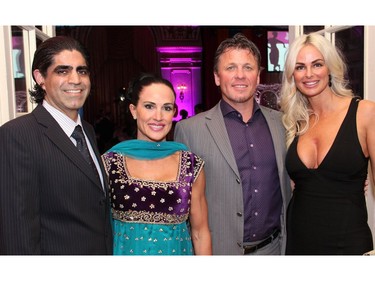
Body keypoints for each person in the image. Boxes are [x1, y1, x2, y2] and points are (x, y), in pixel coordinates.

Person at [174, 33, 292, 255]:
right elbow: (180, 203)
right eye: (230, 68)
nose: (240, 75)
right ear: (217, 77)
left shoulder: (282, 124)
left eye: (248, 67)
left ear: (258, 77)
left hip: (274, 251)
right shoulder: (189, 131)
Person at [0, 36, 113, 254]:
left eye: (82, 71)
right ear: (40, 77)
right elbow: (17, 233)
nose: (76, 79)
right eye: (62, 71)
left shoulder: (87, 130)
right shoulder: (17, 135)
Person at [279, 32, 374, 255]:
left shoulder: (365, 113)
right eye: (300, 67)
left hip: (349, 244)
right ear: (292, 74)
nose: (309, 74)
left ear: (330, 67)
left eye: (317, 64)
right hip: (298, 244)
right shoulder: (294, 121)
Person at [102, 73, 212, 255]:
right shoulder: (109, 163)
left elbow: (200, 232)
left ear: (174, 113)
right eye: (149, 106)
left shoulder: (191, 165)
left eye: (167, 108)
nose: (159, 116)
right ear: (133, 110)